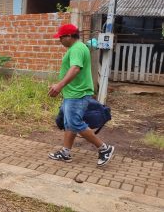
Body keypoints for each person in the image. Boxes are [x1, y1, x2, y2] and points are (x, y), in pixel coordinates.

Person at [48, 23, 115, 166]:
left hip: (77, 93)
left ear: (69, 36)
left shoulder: (77, 49)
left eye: (61, 37)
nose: (59, 40)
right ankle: (66, 152)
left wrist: (59, 85)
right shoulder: (77, 47)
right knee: (69, 123)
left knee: (74, 123)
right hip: (73, 92)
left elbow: (75, 68)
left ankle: (104, 148)